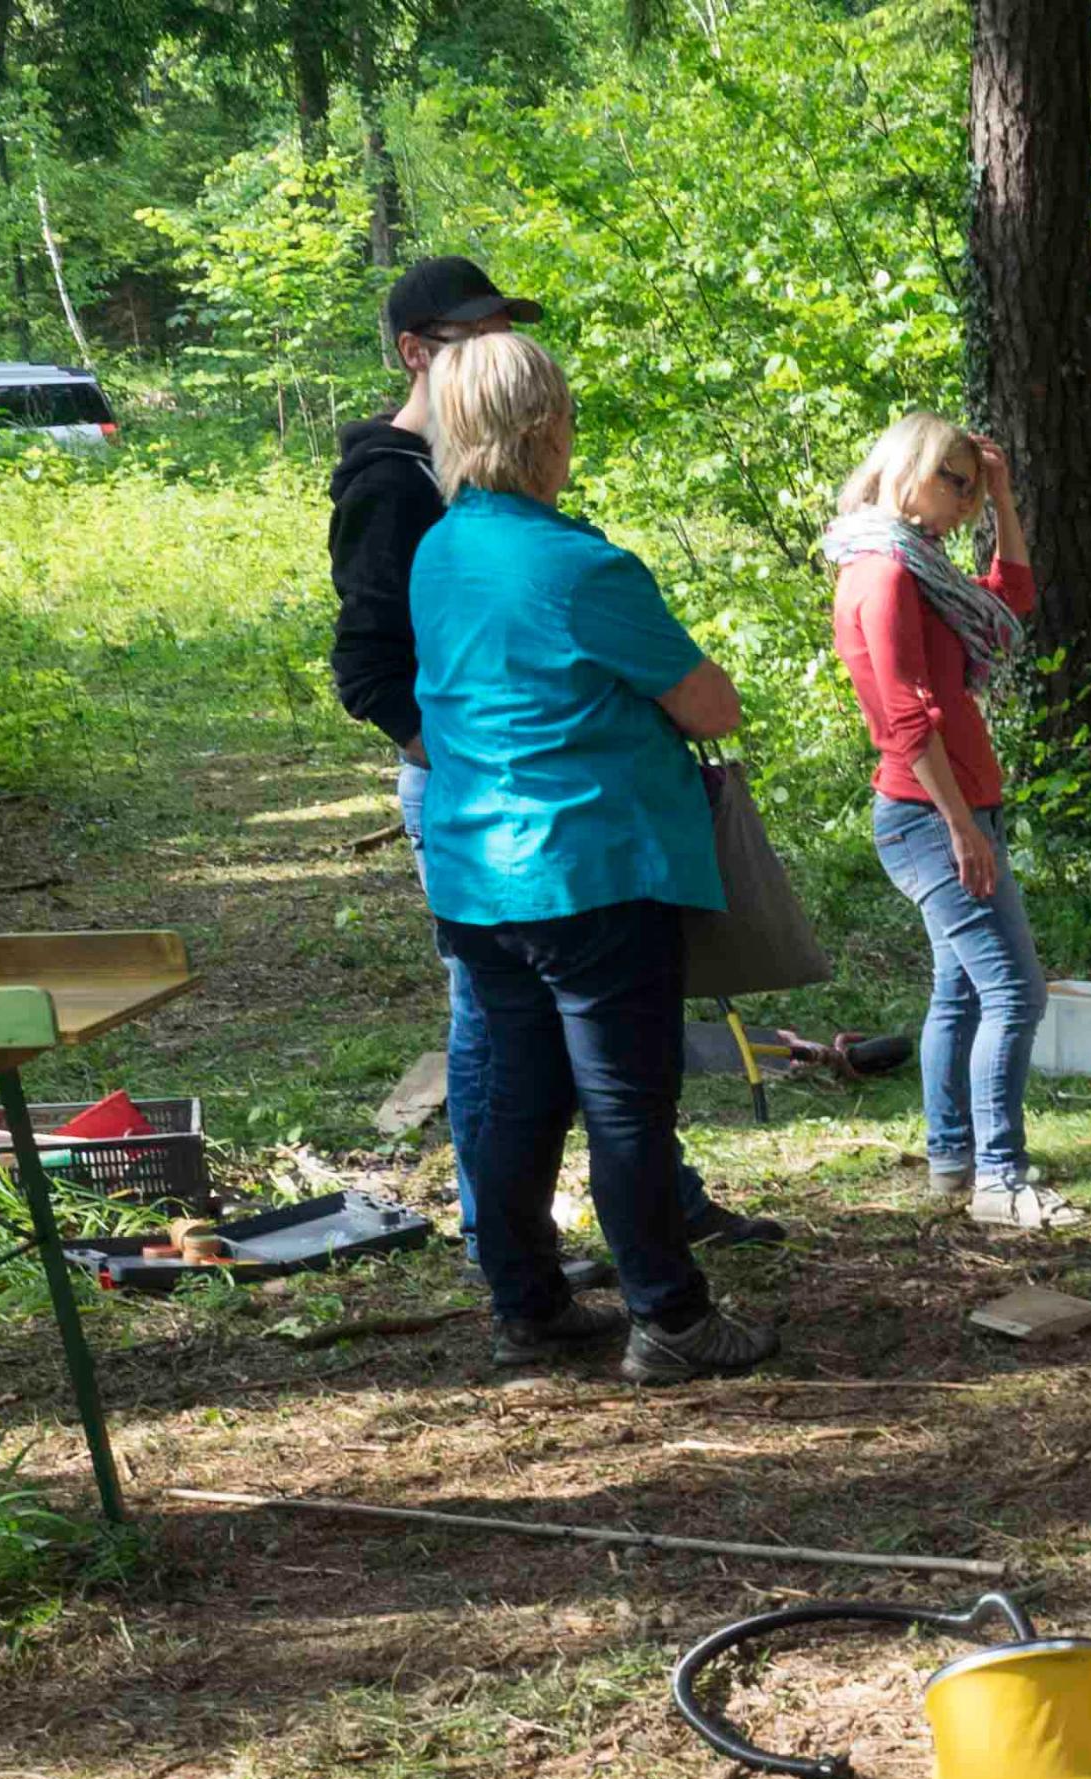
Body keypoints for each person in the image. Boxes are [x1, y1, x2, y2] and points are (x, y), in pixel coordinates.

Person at [326, 256, 771, 1262]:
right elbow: (370, 669)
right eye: (477, 339)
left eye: (506, 337)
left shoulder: (467, 521)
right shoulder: (398, 494)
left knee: (553, 1073)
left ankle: (543, 1274)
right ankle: (591, 1279)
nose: (499, 355)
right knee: (538, 1067)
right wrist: (483, 754)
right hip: (524, 823)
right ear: (418, 356)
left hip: (507, 824)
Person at [408, 332, 777, 1386]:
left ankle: (526, 1308)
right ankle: (670, 1317)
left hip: (479, 875)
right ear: (543, 428)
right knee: (625, 1104)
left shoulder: (441, 551)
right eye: (565, 414)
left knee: (519, 1099)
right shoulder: (581, 566)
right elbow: (711, 705)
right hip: (590, 869)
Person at [827, 413, 1078, 1232]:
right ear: (909, 468)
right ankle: (1000, 1178)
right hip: (929, 815)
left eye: (975, 487)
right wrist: (963, 828)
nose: (966, 501)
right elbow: (904, 717)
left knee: (962, 991)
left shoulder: (921, 563)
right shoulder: (883, 572)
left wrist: (1005, 498)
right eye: (957, 483)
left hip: (957, 808)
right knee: (1014, 992)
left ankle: (953, 1161)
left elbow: (1013, 599)